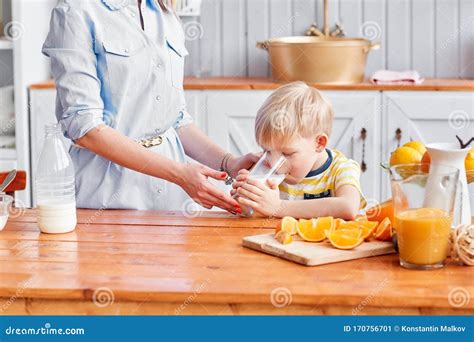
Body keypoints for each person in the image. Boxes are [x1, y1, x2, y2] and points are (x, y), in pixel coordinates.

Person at [42, 0, 257, 213]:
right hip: (108, 197)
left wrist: (229, 163)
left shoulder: (163, 11)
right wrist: (179, 174)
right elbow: (85, 129)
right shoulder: (76, 11)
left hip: (173, 198)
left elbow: (175, 119)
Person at [232, 82, 367, 219]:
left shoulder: (342, 169)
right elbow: (254, 215)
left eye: (287, 153)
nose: (274, 164)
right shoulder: (267, 171)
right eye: (267, 151)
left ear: (319, 143)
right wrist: (246, 202)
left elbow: (348, 208)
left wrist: (278, 207)